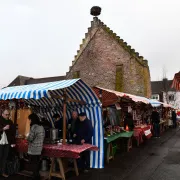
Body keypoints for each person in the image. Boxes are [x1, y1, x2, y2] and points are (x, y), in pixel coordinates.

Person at [27, 113, 45, 180]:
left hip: (33, 148)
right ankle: (37, 175)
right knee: (37, 162)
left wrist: (27, 137)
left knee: (33, 163)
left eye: (30, 120)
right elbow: (43, 136)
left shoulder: (34, 127)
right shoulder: (41, 127)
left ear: (32, 119)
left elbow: (30, 138)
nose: (29, 121)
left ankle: (35, 177)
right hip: (39, 147)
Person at [0, 109, 16, 178]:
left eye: (8, 114)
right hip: (0, 141)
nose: (7, 116)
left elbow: (12, 133)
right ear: (2, 114)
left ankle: (2, 172)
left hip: (7, 142)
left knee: (5, 158)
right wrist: (3, 129)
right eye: (6, 114)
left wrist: (13, 142)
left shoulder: (10, 122)